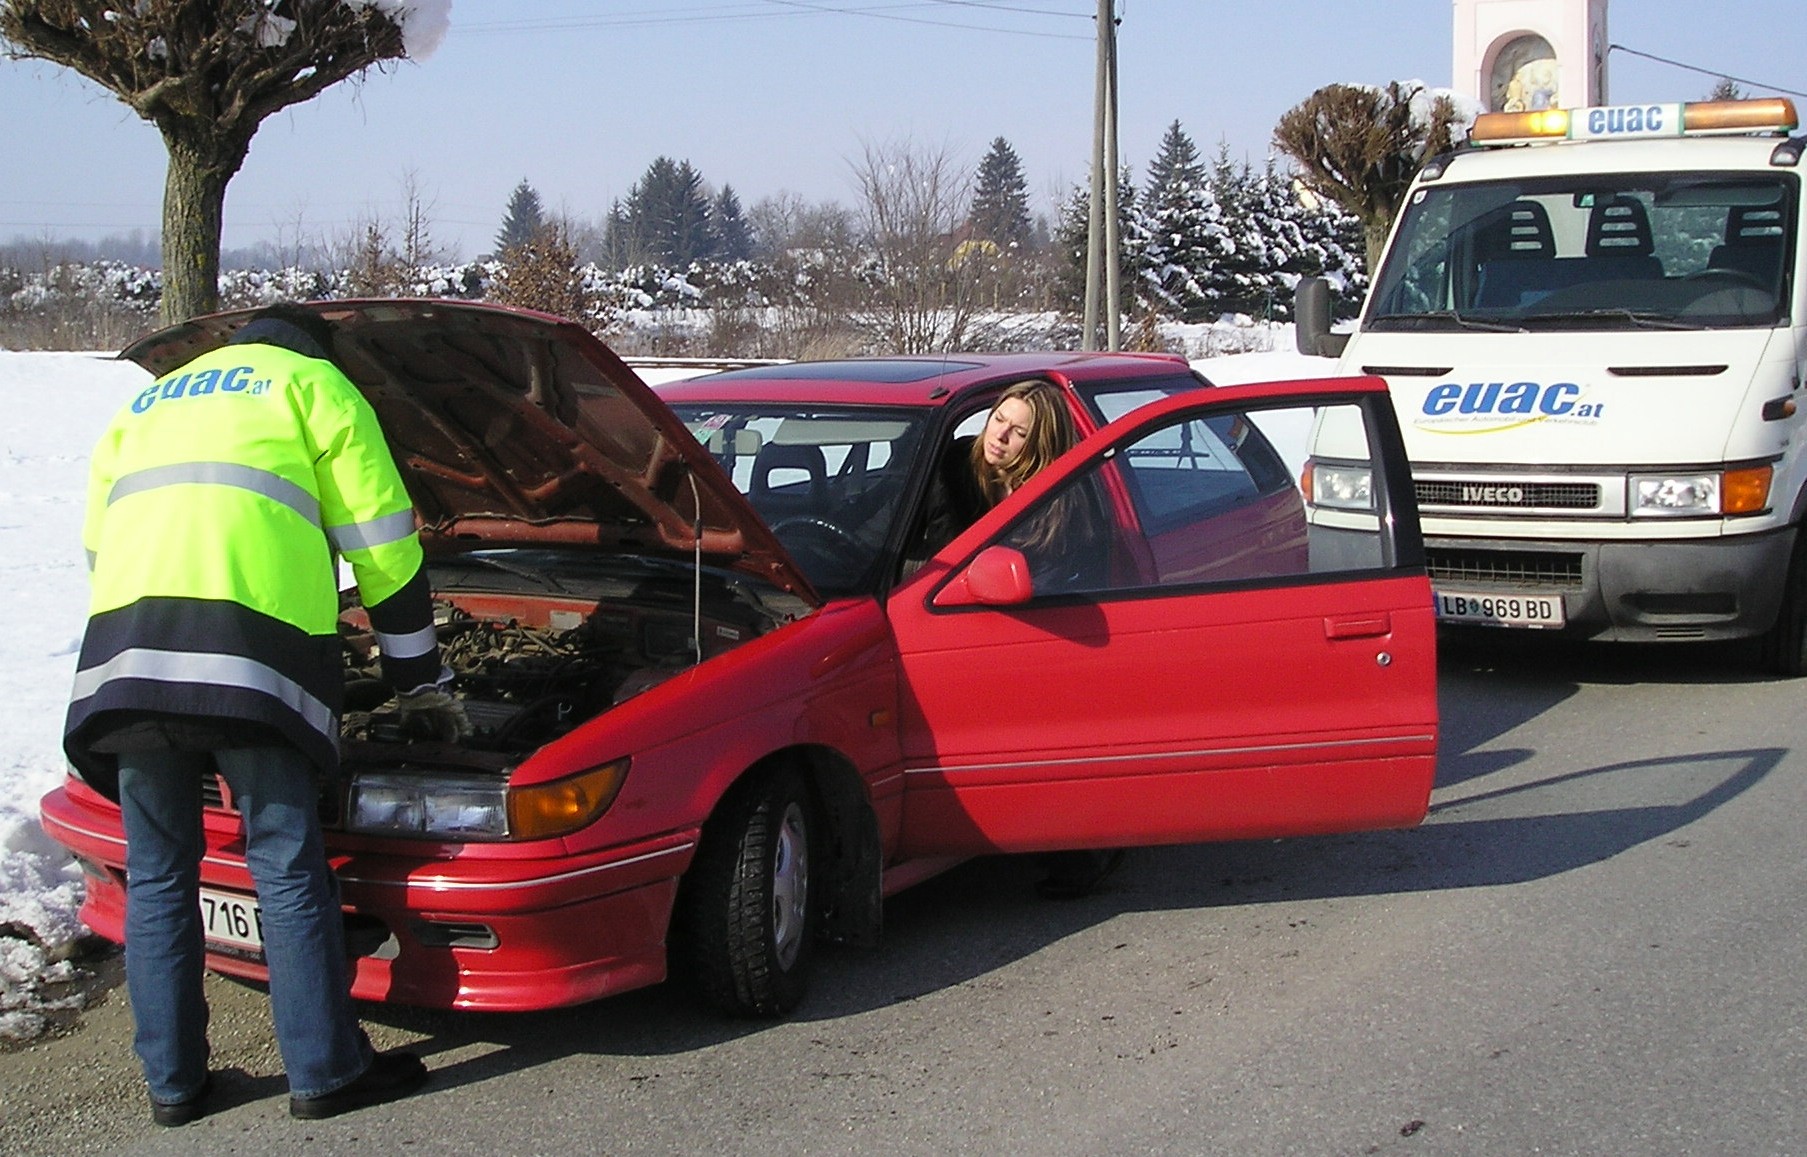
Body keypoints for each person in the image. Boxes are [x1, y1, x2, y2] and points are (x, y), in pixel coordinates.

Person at [63, 303, 466, 1125]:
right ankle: (326, 1071)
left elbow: (99, 544)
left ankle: (173, 1086)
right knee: (284, 863)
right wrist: (416, 673)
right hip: (252, 665)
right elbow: (385, 543)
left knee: (160, 874)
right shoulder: (317, 386)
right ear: (315, 350)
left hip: (130, 663)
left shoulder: (153, 400)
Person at [909, 380, 1126, 899]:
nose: (999, 436)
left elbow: (1057, 574)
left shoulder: (1062, 498)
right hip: (958, 624)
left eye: (1018, 431)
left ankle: (1087, 846)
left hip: (1041, 634)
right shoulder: (951, 469)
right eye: (998, 420)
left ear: (1041, 445)